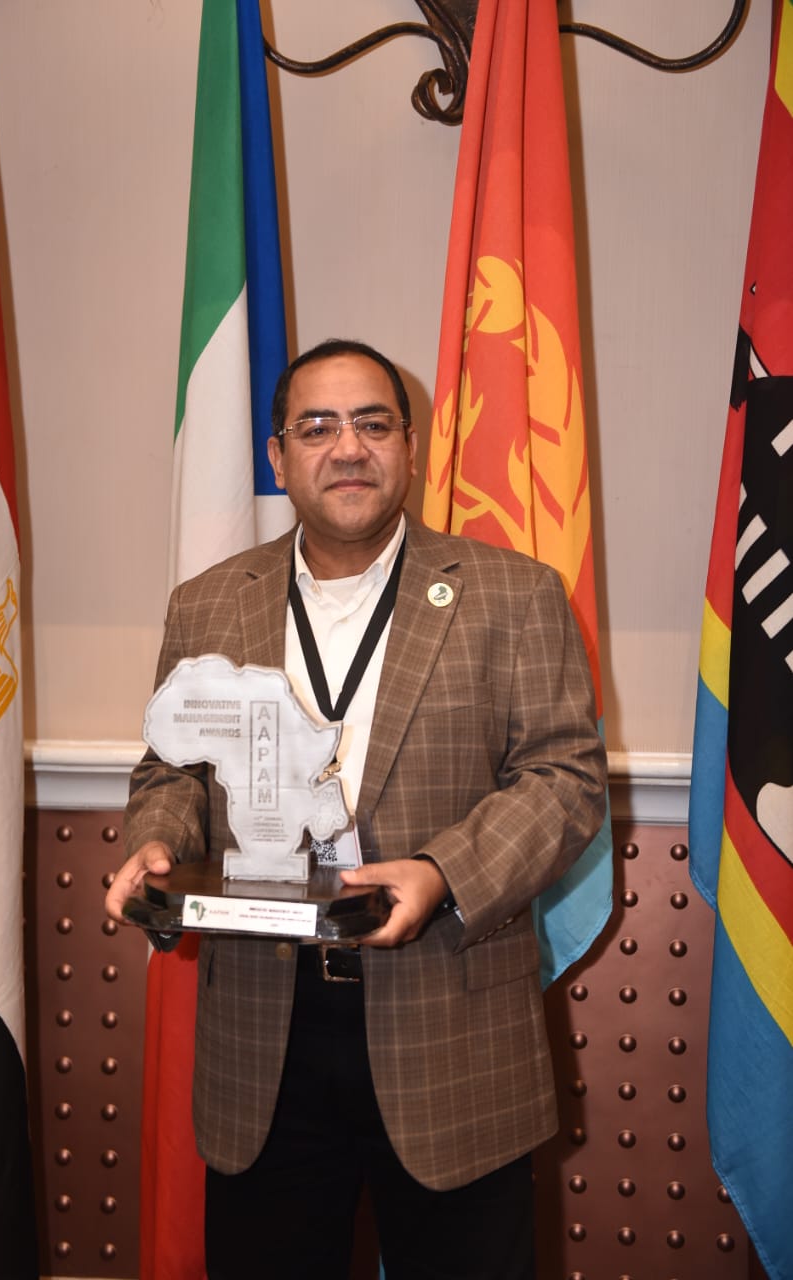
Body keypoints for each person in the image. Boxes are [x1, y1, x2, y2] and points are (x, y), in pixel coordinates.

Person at [106, 338, 607, 1280]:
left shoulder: (515, 595)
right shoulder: (206, 604)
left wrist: (443, 873)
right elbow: (170, 771)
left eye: (373, 424)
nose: (348, 448)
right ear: (278, 455)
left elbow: (566, 778)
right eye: (318, 427)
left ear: (410, 447)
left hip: (449, 1024)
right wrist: (158, 842)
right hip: (264, 1035)